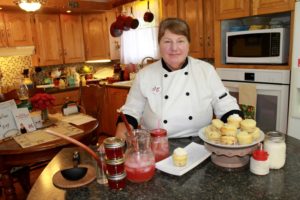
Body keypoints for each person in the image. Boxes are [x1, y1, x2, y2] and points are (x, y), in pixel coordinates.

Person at [115, 18, 243, 139]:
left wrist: (240, 129)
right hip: (156, 144)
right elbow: (131, 112)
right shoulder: (144, 75)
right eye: (167, 41)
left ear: (188, 44)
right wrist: (118, 143)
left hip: (200, 142)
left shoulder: (206, 70)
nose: (174, 48)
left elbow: (225, 105)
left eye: (180, 41)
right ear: (159, 44)